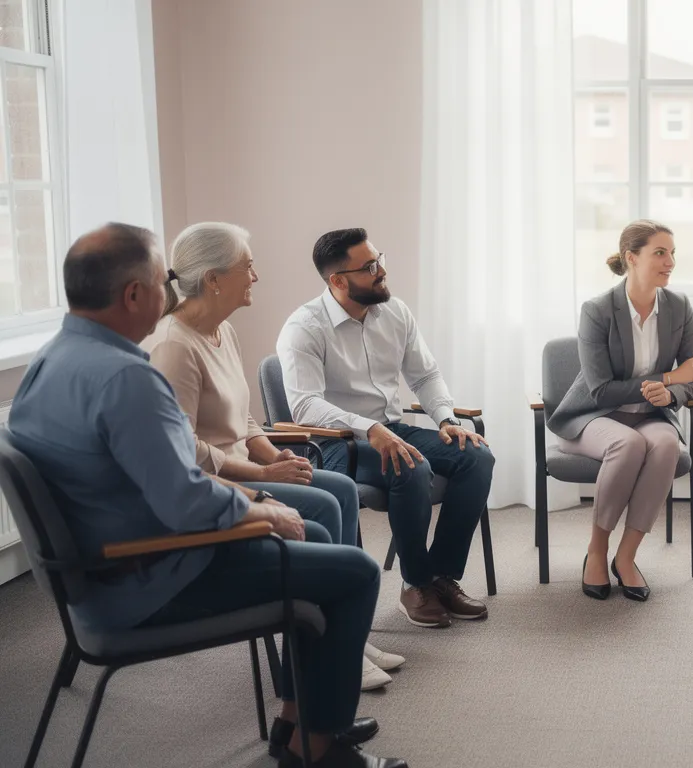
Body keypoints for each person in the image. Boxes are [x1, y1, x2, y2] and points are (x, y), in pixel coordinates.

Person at [9, 223, 405, 767]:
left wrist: (261, 501)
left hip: (101, 574)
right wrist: (260, 508)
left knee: (314, 533)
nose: (172, 291)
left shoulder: (51, 361)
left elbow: (163, 477)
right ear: (134, 295)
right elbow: (185, 498)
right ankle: (317, 750)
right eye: (163, 281)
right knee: (354, 573)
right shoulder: (127, 378)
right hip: (150, 576)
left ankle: (299, 723)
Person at [147, 221, 403, 691]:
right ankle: (325, 644)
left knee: (341, 489)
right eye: (247, 267)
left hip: (246, 466)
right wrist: (263, 470)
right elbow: (186, 450)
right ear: (213, 279)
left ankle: (344, 631)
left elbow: (243, 417)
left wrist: (275, 455)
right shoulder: (173, 347)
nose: (256, 276)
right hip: (216, 481)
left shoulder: (222, 330)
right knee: (322, 504)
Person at [277, 227, 493, 629]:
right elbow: (305, 406)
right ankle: (416, 585)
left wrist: (446, 419)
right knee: (411, 466)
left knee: (477, 456)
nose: (382, 272)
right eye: (370, 267)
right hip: (338, 443)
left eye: (379, 260)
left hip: (392, 428)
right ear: (338, 281)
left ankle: (441, 577)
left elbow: (425, 376)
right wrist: (369, 429)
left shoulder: (395, 312)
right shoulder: (304, 327)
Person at [549, 220, 693, 601]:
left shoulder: (679, 307)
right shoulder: (598, 310)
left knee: (667, 446)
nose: (670, 262)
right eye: (660, 253)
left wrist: (671, 392)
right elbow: (601, 390)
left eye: (672, 253)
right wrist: (669, 377)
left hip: (650, 416)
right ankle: (597, 550)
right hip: (593, 416)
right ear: (631, 258)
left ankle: (626, 556)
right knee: (628, 444)